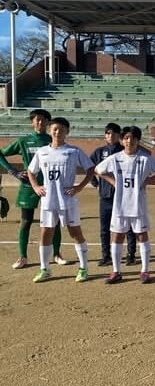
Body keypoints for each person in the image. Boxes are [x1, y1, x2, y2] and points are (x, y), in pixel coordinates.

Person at [94, 126, 155, 283]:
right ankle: (116, 271)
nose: (130, 141)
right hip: (120, 205)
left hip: (138, 204)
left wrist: (149, 180)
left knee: (142, 235)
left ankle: (145, 271)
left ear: (138, 140)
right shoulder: (115, 158)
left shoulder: (145, 158)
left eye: (133, 138)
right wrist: (113, 181)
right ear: (121, 140)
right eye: (126, 138)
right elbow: (98, 170)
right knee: (118, 236)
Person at [27, 117, 95, 283]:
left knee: (75, 233)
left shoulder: (74, 151)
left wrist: (79, 187)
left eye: (62, 129)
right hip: (48, 201)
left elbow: (91, 169)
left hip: (67, 200)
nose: (58, 132)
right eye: (55, 129)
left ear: (67, 132)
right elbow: (30, 171)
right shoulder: (42, 151)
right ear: (50, 131)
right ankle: (45, 269)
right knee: (45, 233)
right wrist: (36, 187)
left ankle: (84, 268)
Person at [0, 108, 65, 269]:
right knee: (26, 221)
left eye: (43, 120)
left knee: (54, 222)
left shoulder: (53, 139)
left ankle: (56, 254)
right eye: (37, 120)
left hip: (51, 187)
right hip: (28, 186)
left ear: (48, 123)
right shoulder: (23, 141)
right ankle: (22, 257)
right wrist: (13, 171)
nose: (40, 122)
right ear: (32, 122)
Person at [90, 123, 137, 267]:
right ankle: (106, 255)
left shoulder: (125, 151)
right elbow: (90, 167)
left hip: (123, 196)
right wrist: (95, 183)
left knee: (127, 226)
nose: (110, 136)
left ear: (119, 136)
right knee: (104, 227)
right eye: (107, 133)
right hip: (105, 196)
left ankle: (131, 254)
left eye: (113, 133)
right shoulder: (99, 152)